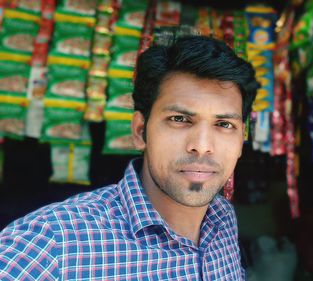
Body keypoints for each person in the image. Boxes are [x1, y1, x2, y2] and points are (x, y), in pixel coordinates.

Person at [0, 35, 259, 280]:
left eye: (224, 124)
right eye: (179, 119)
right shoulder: (51, 244)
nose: (202, 146)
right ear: (140, 131)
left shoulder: (221, 219)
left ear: (240, 141)